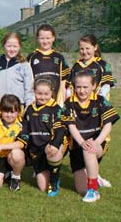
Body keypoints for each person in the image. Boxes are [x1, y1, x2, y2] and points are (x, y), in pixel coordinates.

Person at [61, 71, 119, 202]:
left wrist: (97, 142)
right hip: (77, 145)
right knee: (81, 189)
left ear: (93, 86)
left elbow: (108, 125)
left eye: (85, 87)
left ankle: (93, 190)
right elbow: (71, 126)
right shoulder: (69, 103)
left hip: (96, 145)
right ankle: (93, 176)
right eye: (78, 87)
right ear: (74, 86)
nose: (81, 90)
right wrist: (81, 142)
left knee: (89, 149)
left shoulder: (100, 101)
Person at [68, 34, 115, 188]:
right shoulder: (75, 66)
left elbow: (107, 86)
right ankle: (88, 173)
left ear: (95, 47)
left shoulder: (102, 64)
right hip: (78, 109)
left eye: (87, 48)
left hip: (95, 110)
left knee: (95, 141)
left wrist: (97, 103)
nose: (84, 51)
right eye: (81, 48)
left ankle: (96, 176)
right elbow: (69, 88)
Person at [20, 79, 66, 196]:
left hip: (50, 146)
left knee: (53, 152)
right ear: (34, 92)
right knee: (42, 187)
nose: (43, 97)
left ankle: (54, 181)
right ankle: (50, 173)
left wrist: (55, 145)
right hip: (35, 150)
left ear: (52, 93)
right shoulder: (29, 109)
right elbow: (24, 127)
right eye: (39, 93)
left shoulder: (56, 109)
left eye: (46, 94)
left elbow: (60, 130)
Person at [0, 32, 34, 109]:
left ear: (20, 47)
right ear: (3, 46)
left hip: (18, 106)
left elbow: (29, 86)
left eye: (15, 46)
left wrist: (29, 104)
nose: (12, 49)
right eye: (9, 46)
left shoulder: (24, 64)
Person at [27, 24, 69, 106]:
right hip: (36, 101)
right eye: (42, 38)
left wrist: (62, 102)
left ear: (53, 38)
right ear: (37, 39)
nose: (45, 41)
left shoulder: (59, 57)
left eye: (48, 38)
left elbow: (63, 83)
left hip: (55, 102)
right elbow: (28, 81)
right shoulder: (31, 57)